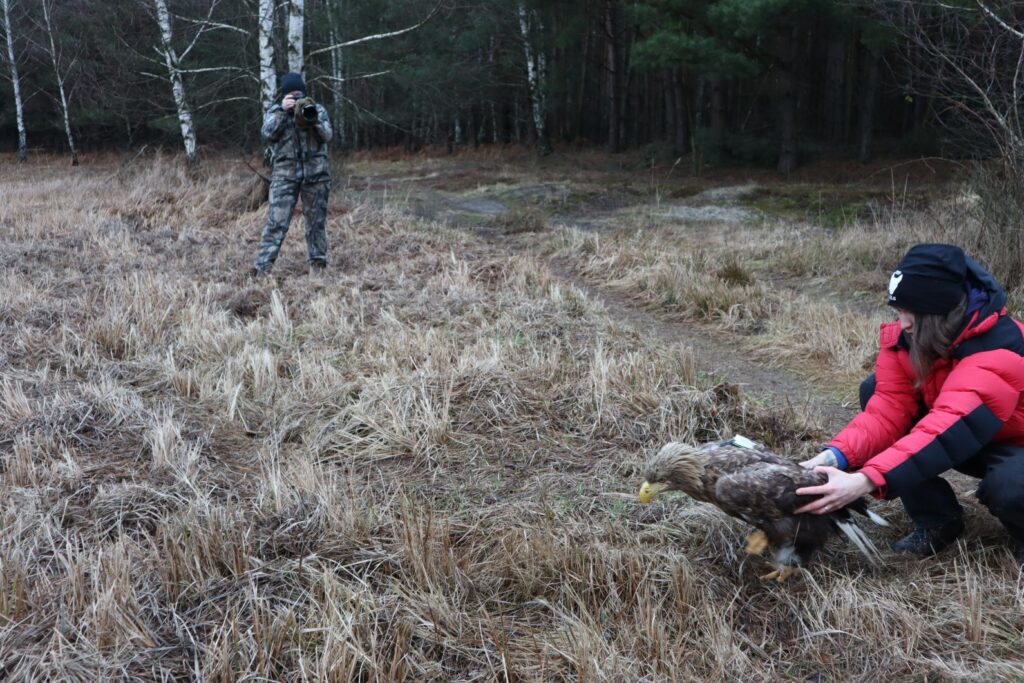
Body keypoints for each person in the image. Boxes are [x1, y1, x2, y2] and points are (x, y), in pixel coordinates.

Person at [792, 243, 1024, 564]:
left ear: (939, 309)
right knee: (873, 390)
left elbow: (946, 428)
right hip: (968, 434)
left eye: (910, 312)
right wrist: (832, 459)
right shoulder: (908, 342)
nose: (903, 324)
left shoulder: (998, 349)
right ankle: (937, 520)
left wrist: (863, 481)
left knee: (1011, 487)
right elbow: (886, 413)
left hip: (1013, 443)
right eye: (898, 312)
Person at [252, 72, 333, 277]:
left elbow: (327, 135)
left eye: (299, 95)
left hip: (316, 176)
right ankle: (262, 269)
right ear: (285, 96)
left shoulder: (317, 110)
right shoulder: (276, 112)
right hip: (284, 177)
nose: (296, 99)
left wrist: (311, 118)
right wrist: (282, 111)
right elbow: (266, 134)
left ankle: (318, 267)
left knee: (316, 223)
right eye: (292, 95)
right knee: (276, 224)